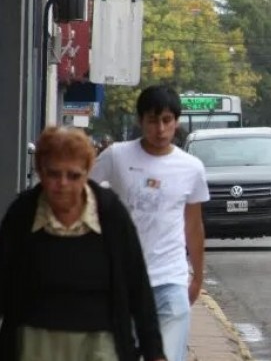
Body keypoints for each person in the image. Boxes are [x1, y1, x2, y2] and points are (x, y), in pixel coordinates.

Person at [0, 126, 166, 361]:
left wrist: (154, 351)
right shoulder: (23, 214)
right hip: (36, 341)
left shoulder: (110, 213)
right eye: (53, 174)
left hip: (100, 341)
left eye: (74, 175)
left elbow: (137, 283)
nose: (63, 184)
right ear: (40, 171)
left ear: (88, 172)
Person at [90, 85, 209, 361]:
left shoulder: (191, 168)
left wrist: (197, 277)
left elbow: (193, 225)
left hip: (170, 279)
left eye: (167, 120)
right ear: (140, 120)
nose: (160, 129)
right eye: (153, 120)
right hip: (122, 279)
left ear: (176, 122)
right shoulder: (117, 156)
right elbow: (83, 193)